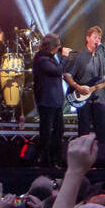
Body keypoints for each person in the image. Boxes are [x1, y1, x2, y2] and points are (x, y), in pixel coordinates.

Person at [62, 26, 105, 156]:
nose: (97, 40)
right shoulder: (79, 56)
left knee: (101, 127)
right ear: (87, 38)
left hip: (98, 98)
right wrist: (78, 87)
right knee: (84, 128)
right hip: (83, 99)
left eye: (99, 38)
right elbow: (67, 75)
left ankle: (100, 158)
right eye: (95, 37)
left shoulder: (100, 56)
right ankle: (81, 157)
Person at [32, 34, 70, 167]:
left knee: (59, 130)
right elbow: (57, 70)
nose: (59, 47)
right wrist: (64, 57)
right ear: (52, 46)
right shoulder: (41, 59)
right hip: (46, 101)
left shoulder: (50, 57)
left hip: (55, 101)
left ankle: (55, 159)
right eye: (58, 45)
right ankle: (44, 159)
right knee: (46, 132)